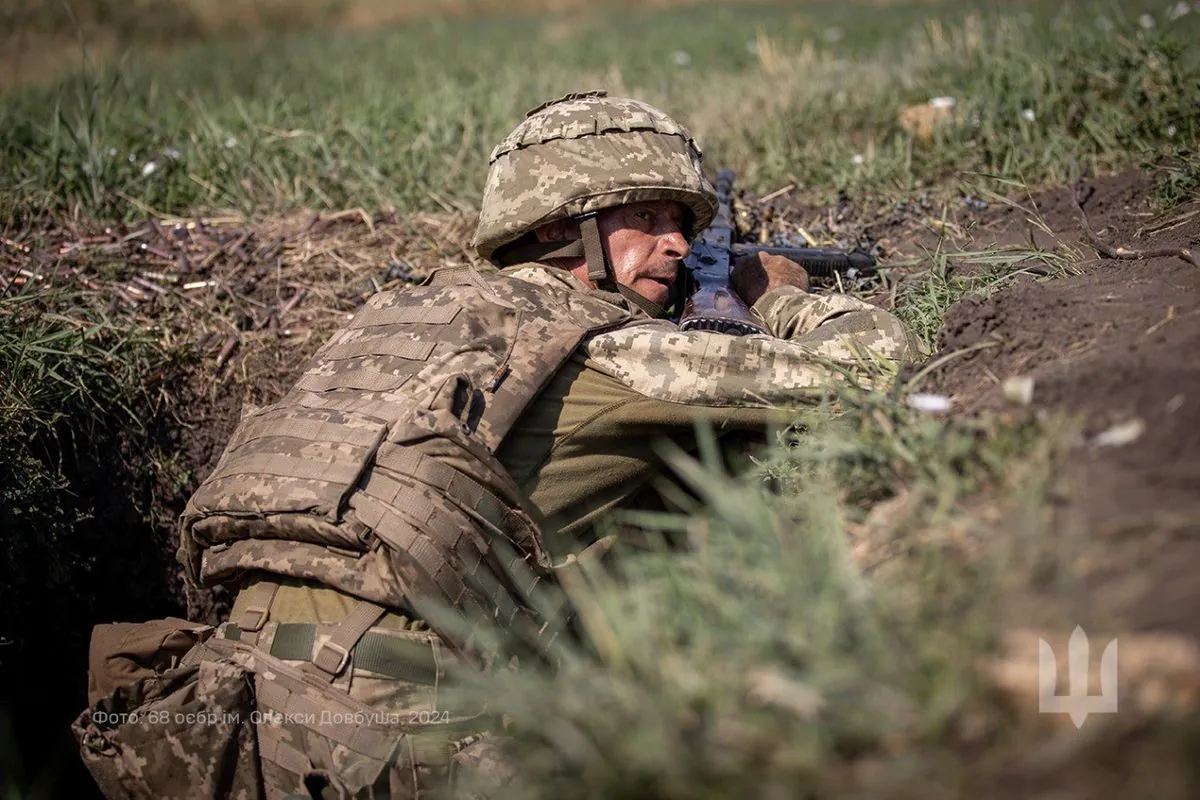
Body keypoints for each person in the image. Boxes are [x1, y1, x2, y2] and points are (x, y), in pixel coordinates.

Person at [73, 91, 917, 800]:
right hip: (384, 735)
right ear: (566, 227)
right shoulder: (605, 349)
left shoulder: (391, 325)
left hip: (223, 709)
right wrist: (783, 299)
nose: (679, 245)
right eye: (650, 217)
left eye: (687, 226)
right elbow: (873, 368)